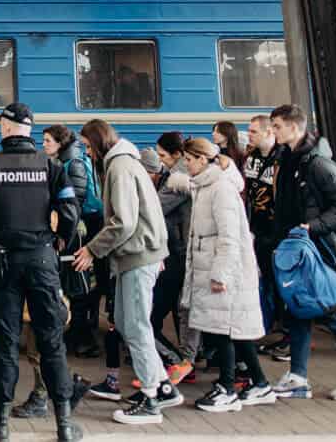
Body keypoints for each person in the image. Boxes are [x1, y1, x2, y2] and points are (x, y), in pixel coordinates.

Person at [0, 103, 83, 442]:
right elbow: (70, 210)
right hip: (43, 261)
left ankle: (0, 423)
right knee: (51, 340)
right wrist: (59, 238)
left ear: (6, 128)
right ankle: (63, 424)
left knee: (5, 344)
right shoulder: (50, 167)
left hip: (4, 265)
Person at [72, 119, 176, 426]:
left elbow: (124, 222)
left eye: (89, 147)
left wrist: (92, 249)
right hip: (140, 253)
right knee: (127, 321)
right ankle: (163, 387)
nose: (88, 154)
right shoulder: (126, 162)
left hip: (137, 255)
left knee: (135, 326)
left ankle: (150, 400)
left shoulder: (118, 167)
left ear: (99, 143)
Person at [266, 104, 336, 403]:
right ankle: (298, 376)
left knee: (334, 309)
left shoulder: (318, 164)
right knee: (298, 308)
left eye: (278, 126)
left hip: (321, 248)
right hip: (298, 249)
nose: (274, 131)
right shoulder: (288, 159)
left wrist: (311, 227)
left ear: (295, 127)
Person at [178, 139, 273, 413]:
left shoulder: (219, 189)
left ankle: (228, 389)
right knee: (234, 331)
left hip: (223, 272)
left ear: (202, 159)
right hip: (216, 268)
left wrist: (220, 274)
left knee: (222, 331)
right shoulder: (208, 186)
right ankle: (260, 383)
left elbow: (229, 236)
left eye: (189, 159)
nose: (186, 164)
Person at [43, 124, 98, 358]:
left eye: (47, 140)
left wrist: (64, 233)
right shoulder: (64, 162)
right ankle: (78, 334)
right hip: (74, 229)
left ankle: (83, 338)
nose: (43, 144)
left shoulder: (72, 164)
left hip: (78, 231)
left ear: (60, 143)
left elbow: (73, 203)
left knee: (77, 283)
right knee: (74, 281)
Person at [138, 146, 191, 374]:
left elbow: (154, 212)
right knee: (169, 312)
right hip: (171, 256)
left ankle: (178, 362)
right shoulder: (166, 183)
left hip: (172, 257)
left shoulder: (173, 186)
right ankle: (181, 361)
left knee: (151, 315)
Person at [242, 113, 287, 354]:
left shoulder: (282, 159)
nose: (249, 135)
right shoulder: (252, 158)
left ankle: (288, 333)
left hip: (276, 228)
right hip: (258, 227)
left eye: (253, 132)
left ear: (269, 132)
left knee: (281, 280)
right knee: (267, 278)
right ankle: (271, 328)